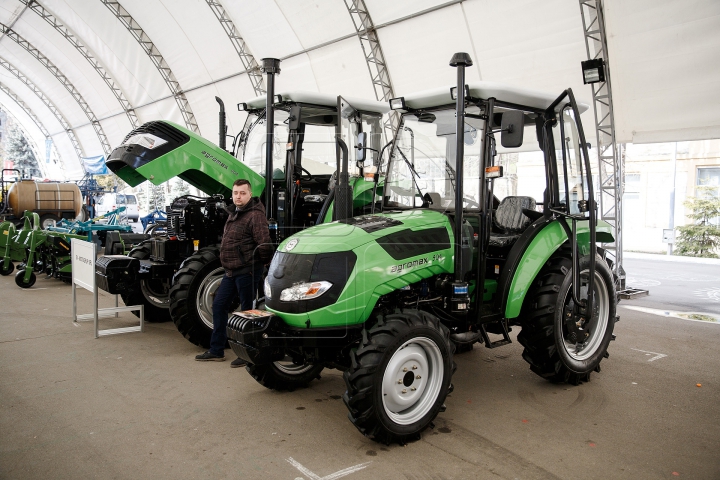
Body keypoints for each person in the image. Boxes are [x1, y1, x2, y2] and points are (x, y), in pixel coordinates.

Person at [195, 179, 273, 366]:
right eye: (236, 193)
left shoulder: (254, 215)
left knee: (247, 313)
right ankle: (217, 350)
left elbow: (264, 243)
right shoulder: (235, 213)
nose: (238, 196)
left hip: (247, 271)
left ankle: (246, 353)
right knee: (219, 306)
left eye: (242, 193)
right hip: (231, 271)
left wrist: (266, 265)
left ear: (250, 194)